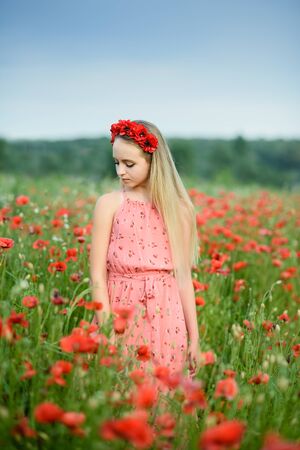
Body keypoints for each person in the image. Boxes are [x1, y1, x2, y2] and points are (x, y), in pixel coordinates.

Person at [89, 119, 201, 391]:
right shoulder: (109, 204)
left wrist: (194, 337)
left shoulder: (179, 211)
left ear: (153, 162)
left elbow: (184, 279)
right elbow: (97, 275)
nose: (121, 172)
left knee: (163, 392)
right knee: (120, 389)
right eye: (117, 163)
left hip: (166, 313)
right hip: (119, 309)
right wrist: (107, 328)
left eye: (130, 164)